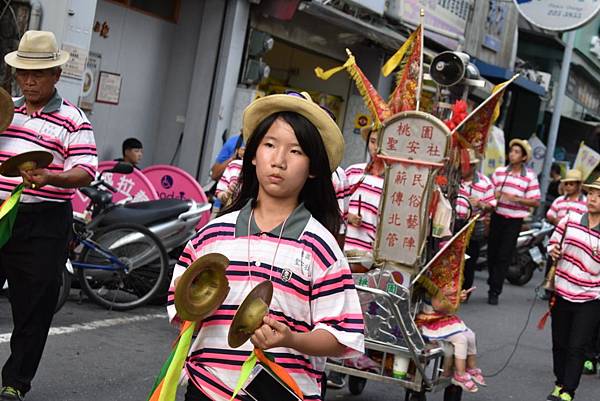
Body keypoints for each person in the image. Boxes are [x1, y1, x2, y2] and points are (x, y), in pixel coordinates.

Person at [167, 91, 364, 401]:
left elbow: (342, 335)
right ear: (254, 154)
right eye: (270, 145)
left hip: (284, 391)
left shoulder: (320, 246)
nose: (279, 160)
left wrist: (292, 339)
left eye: (296, 151)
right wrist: (193, 301)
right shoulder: (213, 234)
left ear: (313, 168)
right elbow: (178, 305)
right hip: (207, 388)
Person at [0, 30, 97, 400]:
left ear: (56, 74)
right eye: (23, 73)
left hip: (44, 222)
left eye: (37, 73)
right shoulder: (5, 111)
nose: (29, 80)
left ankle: (15, 382)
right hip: (1, 215)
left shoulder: (74, 119)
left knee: (34, 306)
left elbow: (86, 170)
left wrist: (53, 175)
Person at [546, 177, 600, 401]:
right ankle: (559, 383)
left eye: (599, 196)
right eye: (591, 194)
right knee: (559, 343)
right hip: (562, 290)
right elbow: (552, 244)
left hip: (591, 297)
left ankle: (568, 390)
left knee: (577, 345)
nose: (593, 199)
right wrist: (554, 251)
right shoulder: (570, 219)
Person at [486, 139, 541, 305]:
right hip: (497, 216)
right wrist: (493, 195)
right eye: (512, 151)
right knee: (492, 253)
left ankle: (495, 290)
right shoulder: (500, 172)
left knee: (504, 255)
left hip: (514, 221)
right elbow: (489, 191)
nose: (512, 154)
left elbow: (536, 201)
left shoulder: (529, 176)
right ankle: (493, 279)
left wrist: (516, 199)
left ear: (524, 157)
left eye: (517, 152)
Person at [416, 288, 485, 393]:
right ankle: (460, 374)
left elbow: (450, 303)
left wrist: (458, 296)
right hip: (431, 322)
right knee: (461, 339)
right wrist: (452, 297)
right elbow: (438, 305)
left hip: (446, 319)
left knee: (470, 335)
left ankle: (471, 368)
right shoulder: (432, 281)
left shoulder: (451, 276)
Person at [455, 149, 496, 294]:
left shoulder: (485, 183)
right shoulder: (453, 178)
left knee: (469, 260)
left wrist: (480, 204)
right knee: (450, 258)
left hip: (473, 225)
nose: (462, 168)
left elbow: (492, 206)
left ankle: (465, 290)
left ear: (472, 166)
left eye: (466, 165)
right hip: (453, 222)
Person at [344, 125, 384, 257]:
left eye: (381, 142)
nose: (376, 147)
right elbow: (330, 206)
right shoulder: (352, 172)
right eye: (372, 142)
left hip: (370, 257)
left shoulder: (393, 184)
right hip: (339, 249)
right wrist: (348, 217)